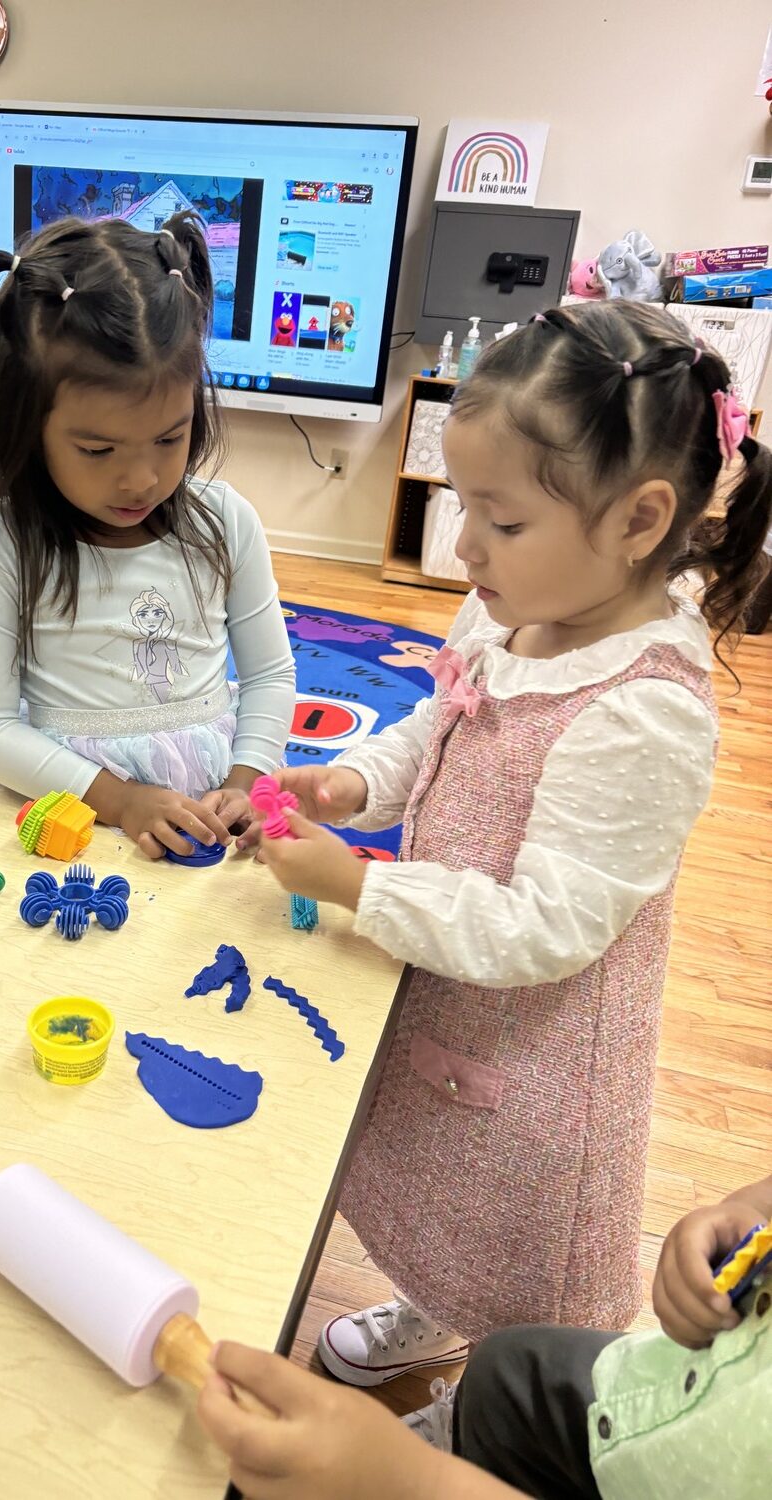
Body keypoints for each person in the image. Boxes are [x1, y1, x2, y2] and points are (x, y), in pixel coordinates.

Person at [254, 301, 772, 1376]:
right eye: (458, 503)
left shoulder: (642, 711)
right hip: (453, 981)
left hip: (537, 1050)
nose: (462, 543)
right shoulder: (498, 609)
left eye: (503, 519)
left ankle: (508, 1381)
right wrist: (347, 781)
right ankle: (434, 1304)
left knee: (518, 1241)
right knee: (435, 1187)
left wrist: (355, 887)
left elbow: (547, 930)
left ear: (639, 522)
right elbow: (427, 729)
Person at [0, 212, 295, 858]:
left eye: (169, 437)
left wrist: (247, 780)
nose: (142, 478)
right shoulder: (0, 544)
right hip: (77, 814)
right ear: (27, 424)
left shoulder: (225, 521)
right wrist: (119, 800)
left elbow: (270, 673)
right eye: (98, 449)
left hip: (215, 816)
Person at [197, 1171, 772, 1500]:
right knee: (507, 1367)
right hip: (653, 1395)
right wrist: (727, 1218)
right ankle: (461, 1447)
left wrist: (410, 1482)